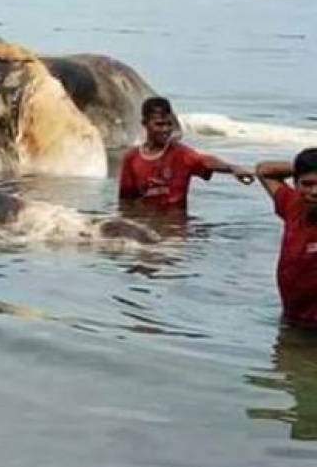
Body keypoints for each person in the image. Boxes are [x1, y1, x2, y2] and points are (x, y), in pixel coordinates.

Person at [118, 97, 255, 209]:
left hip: (175, 230)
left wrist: (232, 168)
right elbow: (125, 201)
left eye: (168, 124)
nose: (165, 129)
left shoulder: (181, 154)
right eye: (159, 124)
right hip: (145, 224)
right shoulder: (132, 158)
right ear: (145, 123)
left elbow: (206, 161)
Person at [254, 147, 317, 326]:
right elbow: (264, 171)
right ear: (296, 184)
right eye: (307, 184)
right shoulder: (293, 206)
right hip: (292, 319)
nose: (314, 192)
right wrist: (303, 165)